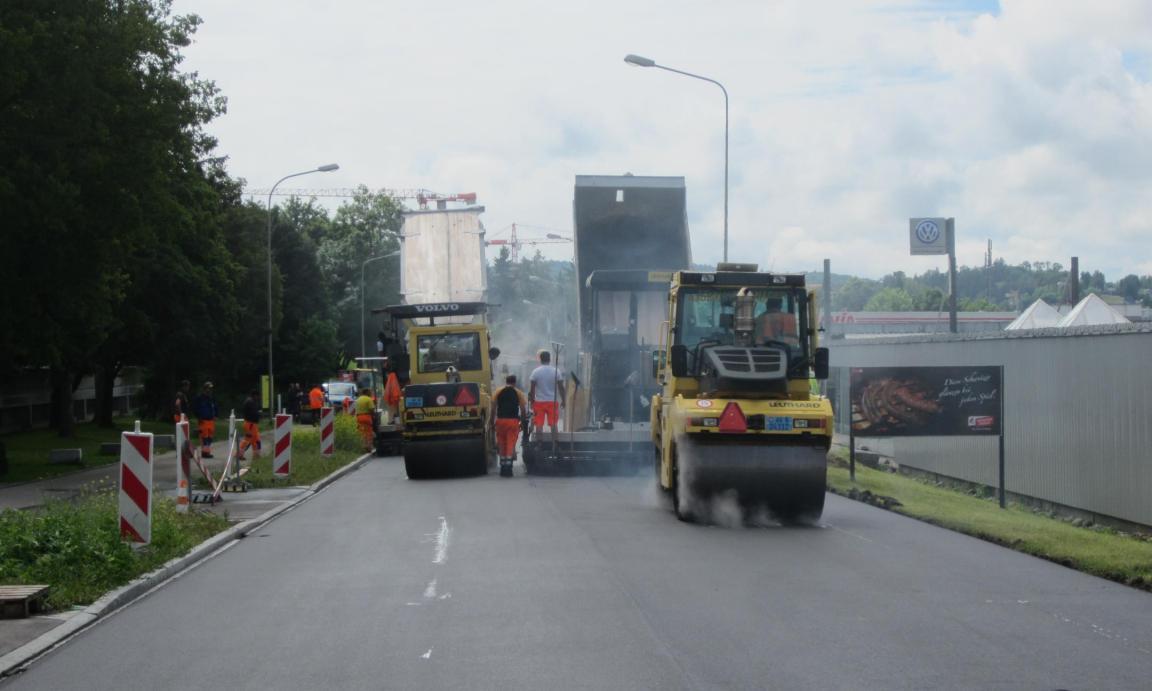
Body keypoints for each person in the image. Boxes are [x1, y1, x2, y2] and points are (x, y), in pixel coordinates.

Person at [491, 374, 528, 477]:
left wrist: (491, 421)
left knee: (502, 443)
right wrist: (523, 422)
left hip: (500, 421)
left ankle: (503, 467)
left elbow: (493, 408)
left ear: (506, 381)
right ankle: (508, 468)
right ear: (514, 382)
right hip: (512, 422)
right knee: (510, 443)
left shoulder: (498, 391)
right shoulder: (518, 392)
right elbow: (523, 409)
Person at [528, 350, 565, 446]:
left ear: (540, 359)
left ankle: (539, 444)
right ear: (550, 359)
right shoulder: (556, 371)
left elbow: (532, 389)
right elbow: (561, 388)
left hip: (539, 402)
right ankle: (555, 444)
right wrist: (564, 400)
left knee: (539, 424)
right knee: (553, 424)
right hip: (552, 402)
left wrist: (532, 401)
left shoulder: (535, 372)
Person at [193, 382, 219, 458]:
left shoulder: (211, 398)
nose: (210, 390)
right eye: (208, 388)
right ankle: (205, 453)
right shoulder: (199, 398)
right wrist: (198, 417)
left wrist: (216, 415)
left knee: (210, 437)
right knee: (204, 437)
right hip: (203, 420)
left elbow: (216, 407)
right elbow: (195, 408)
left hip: (211, 420)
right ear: (205, 389)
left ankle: (206, 451)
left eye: (211, 388)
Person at [238, 389, 261, 461]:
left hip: (252, 424)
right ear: (255, 395)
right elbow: (253, 414)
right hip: (250, 424)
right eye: (258, 396)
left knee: (256, 440)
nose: (258, 398)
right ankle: (239, 454)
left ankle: (256, 455)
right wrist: (258, 415)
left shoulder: (250, 401)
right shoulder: (251, 402)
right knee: (247, 440)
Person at [354, 387, 376, 453]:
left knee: (361, 432)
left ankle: (362, 446)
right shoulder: (369, 399)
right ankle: (368, 447)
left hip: (358, 417)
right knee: (368, 432)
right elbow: (371, 409)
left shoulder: (358, 399)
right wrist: (374, 416)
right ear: (367, 392)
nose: (371, 393)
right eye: (370, 392)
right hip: (366, 417)